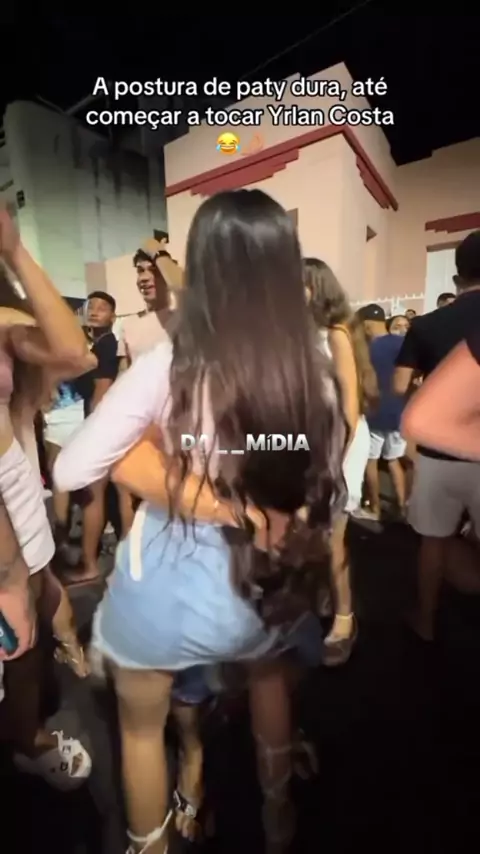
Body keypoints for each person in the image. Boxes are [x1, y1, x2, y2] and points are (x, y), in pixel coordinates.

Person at [55, 189, 345, 854]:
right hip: (265, 583)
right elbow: (322, 485)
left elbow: (71, 469)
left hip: (168, 593)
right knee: (270, 688)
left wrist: (192, 486)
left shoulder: (171, 364)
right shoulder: (315, 372)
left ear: (203, 267)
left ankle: (152, 839)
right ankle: (277, 814)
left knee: (139, 728)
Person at [0, 208, 92, 786]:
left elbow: (75, 355)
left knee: (26, 629)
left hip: (14, 488)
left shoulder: (3, 319)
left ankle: (26, 737)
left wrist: (14, 251)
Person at [393, 230, 480, 641]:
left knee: (433, 541)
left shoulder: (427, 324)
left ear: (458, 275)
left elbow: (399, 386)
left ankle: (425, 621)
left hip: (438, 454)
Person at [304, 258, 378, 665]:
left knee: (334, 538)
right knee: (316, 532)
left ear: (317, 288)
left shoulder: (336, 334)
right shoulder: (308, 334)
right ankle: (324, 595)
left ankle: (345, 617)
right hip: (316, 441)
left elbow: (349, 409)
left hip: (340, 444)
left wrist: (332, 464)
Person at [67, 291, 122, 584]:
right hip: (104, 426)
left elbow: (101, 392)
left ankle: (90, 564)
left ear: (113, 316)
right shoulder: (99, 344)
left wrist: (91, 433)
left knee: (94, 495)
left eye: (103, 307)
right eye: (92, 306)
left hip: (100, 427)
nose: (95, 311)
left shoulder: (107, 345)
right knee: (110, 496)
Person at [356, 304, 407, 520]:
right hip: (398, 413)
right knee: (394, 461)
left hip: (374, 414)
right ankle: (402, 507)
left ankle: (375, 509)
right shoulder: (402, 343)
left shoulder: (364, 349)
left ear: (366, 325)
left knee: (371, 461)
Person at [118, 238, 183, 367]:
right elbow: (124, 371)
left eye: (154, 270)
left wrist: (159, 253)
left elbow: (188, 290)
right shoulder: (129, 325)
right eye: (140, 271)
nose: (144, 278)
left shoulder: (183, 317)